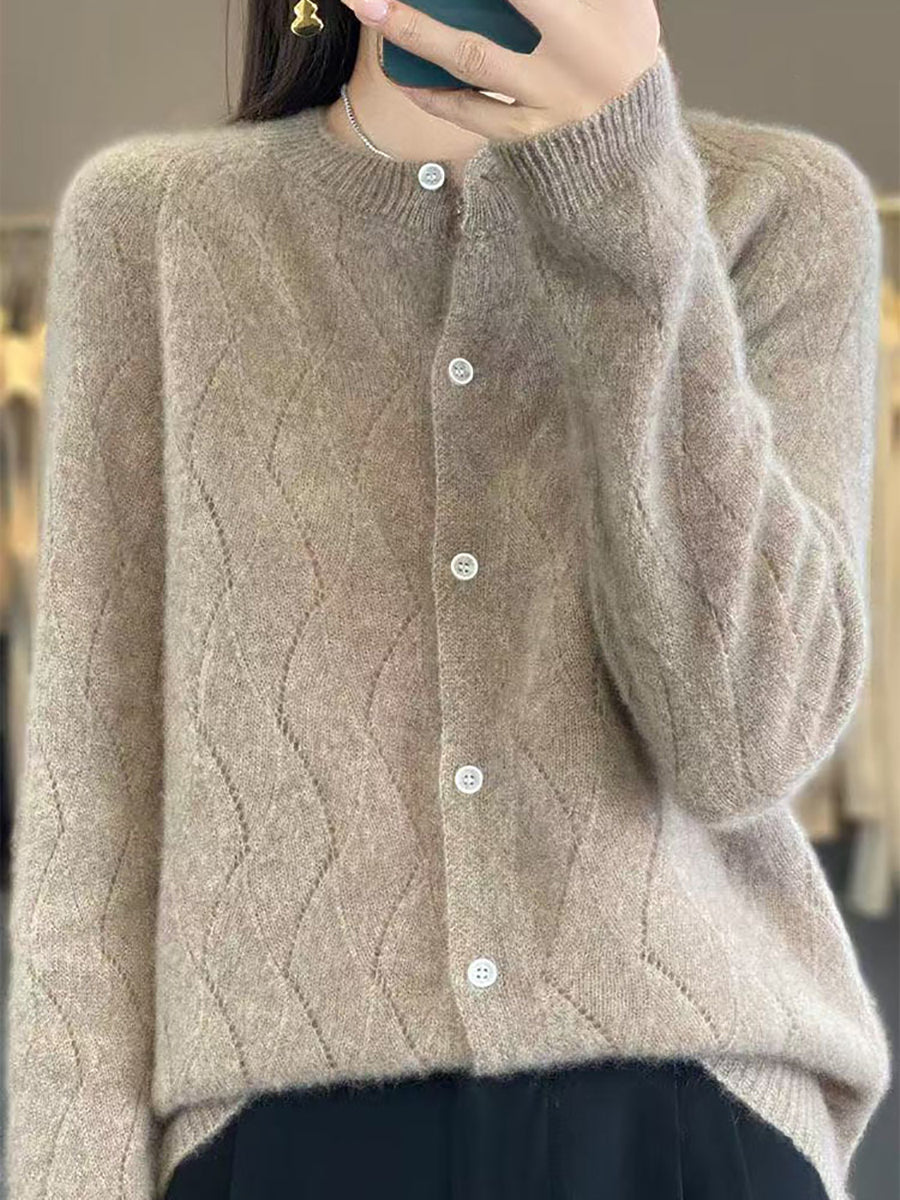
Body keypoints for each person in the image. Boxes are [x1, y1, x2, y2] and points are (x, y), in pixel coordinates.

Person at [5, 0, 892, 1197]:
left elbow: (743, 742)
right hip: (277, 1137)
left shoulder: (779, 207)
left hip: (685, 1125)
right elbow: (94, 805)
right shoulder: (155, 224)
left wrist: (620, 187)